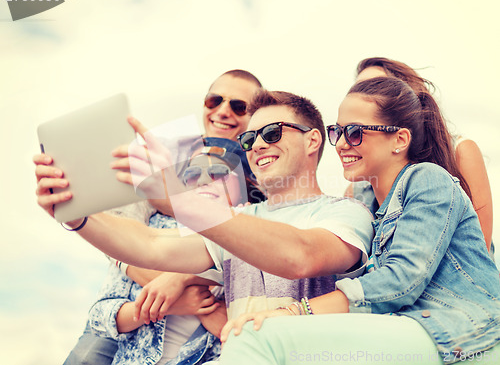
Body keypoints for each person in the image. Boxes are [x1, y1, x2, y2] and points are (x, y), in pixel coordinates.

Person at [216, 77, 500, 365]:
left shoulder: (428, 179)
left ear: (400, 140)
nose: (340, 144)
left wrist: (293, 311)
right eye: (337, 131)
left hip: (465, 334)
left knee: (257, 334)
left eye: (354, 132)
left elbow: (400, 282)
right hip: (412, 331)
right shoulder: (371, 204)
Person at [35, 90, 374, 324]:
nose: (257, 145)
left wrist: (182, 196)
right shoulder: (238, 220)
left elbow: (300, 255)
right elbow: (151, 246)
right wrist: (78, 217)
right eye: (249, 139)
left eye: (271, 133)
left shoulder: (346, 213)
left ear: (313, 139)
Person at [34, 69, 264, 365]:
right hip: (126, 320)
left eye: (238, 106)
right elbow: (128, 243)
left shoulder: (262, 187)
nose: (222, 111)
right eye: (214, 100)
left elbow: (244, 255)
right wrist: (179, 292)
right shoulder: (164, 150)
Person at [88, 138, 261, 365]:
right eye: (192, 174)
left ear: (245, 187)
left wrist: (182, 280)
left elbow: (257, 332)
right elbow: (99, 317)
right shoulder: (155, 227)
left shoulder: (258, 241)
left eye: (218, 172)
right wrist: (172, 305)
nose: (203, 180)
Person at [350, 57, 493, 254]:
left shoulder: (460, 151)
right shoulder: (357, 187)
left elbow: (479, 248)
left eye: (376, 87)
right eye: (358, 89)